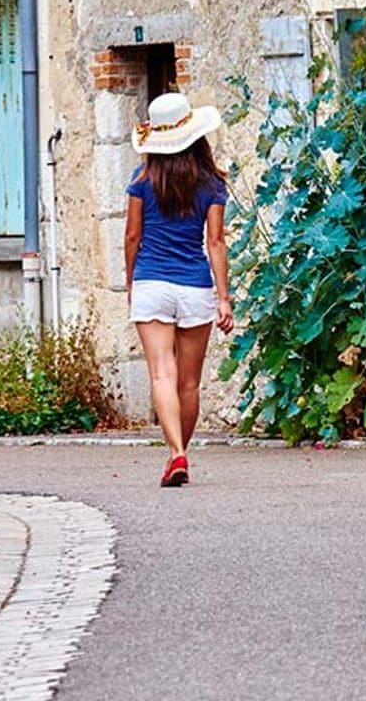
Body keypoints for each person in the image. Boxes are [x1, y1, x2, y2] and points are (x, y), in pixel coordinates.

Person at [124, 92, 232, 487]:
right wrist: (223, 297)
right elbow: (215, 243)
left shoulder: (141, 182)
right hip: (195, 286)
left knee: (161, 375)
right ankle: (179, 454)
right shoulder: (211, 185)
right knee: (189, 382)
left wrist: (131, 281)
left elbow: (133, 235)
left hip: (152, 281)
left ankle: (177, 454)